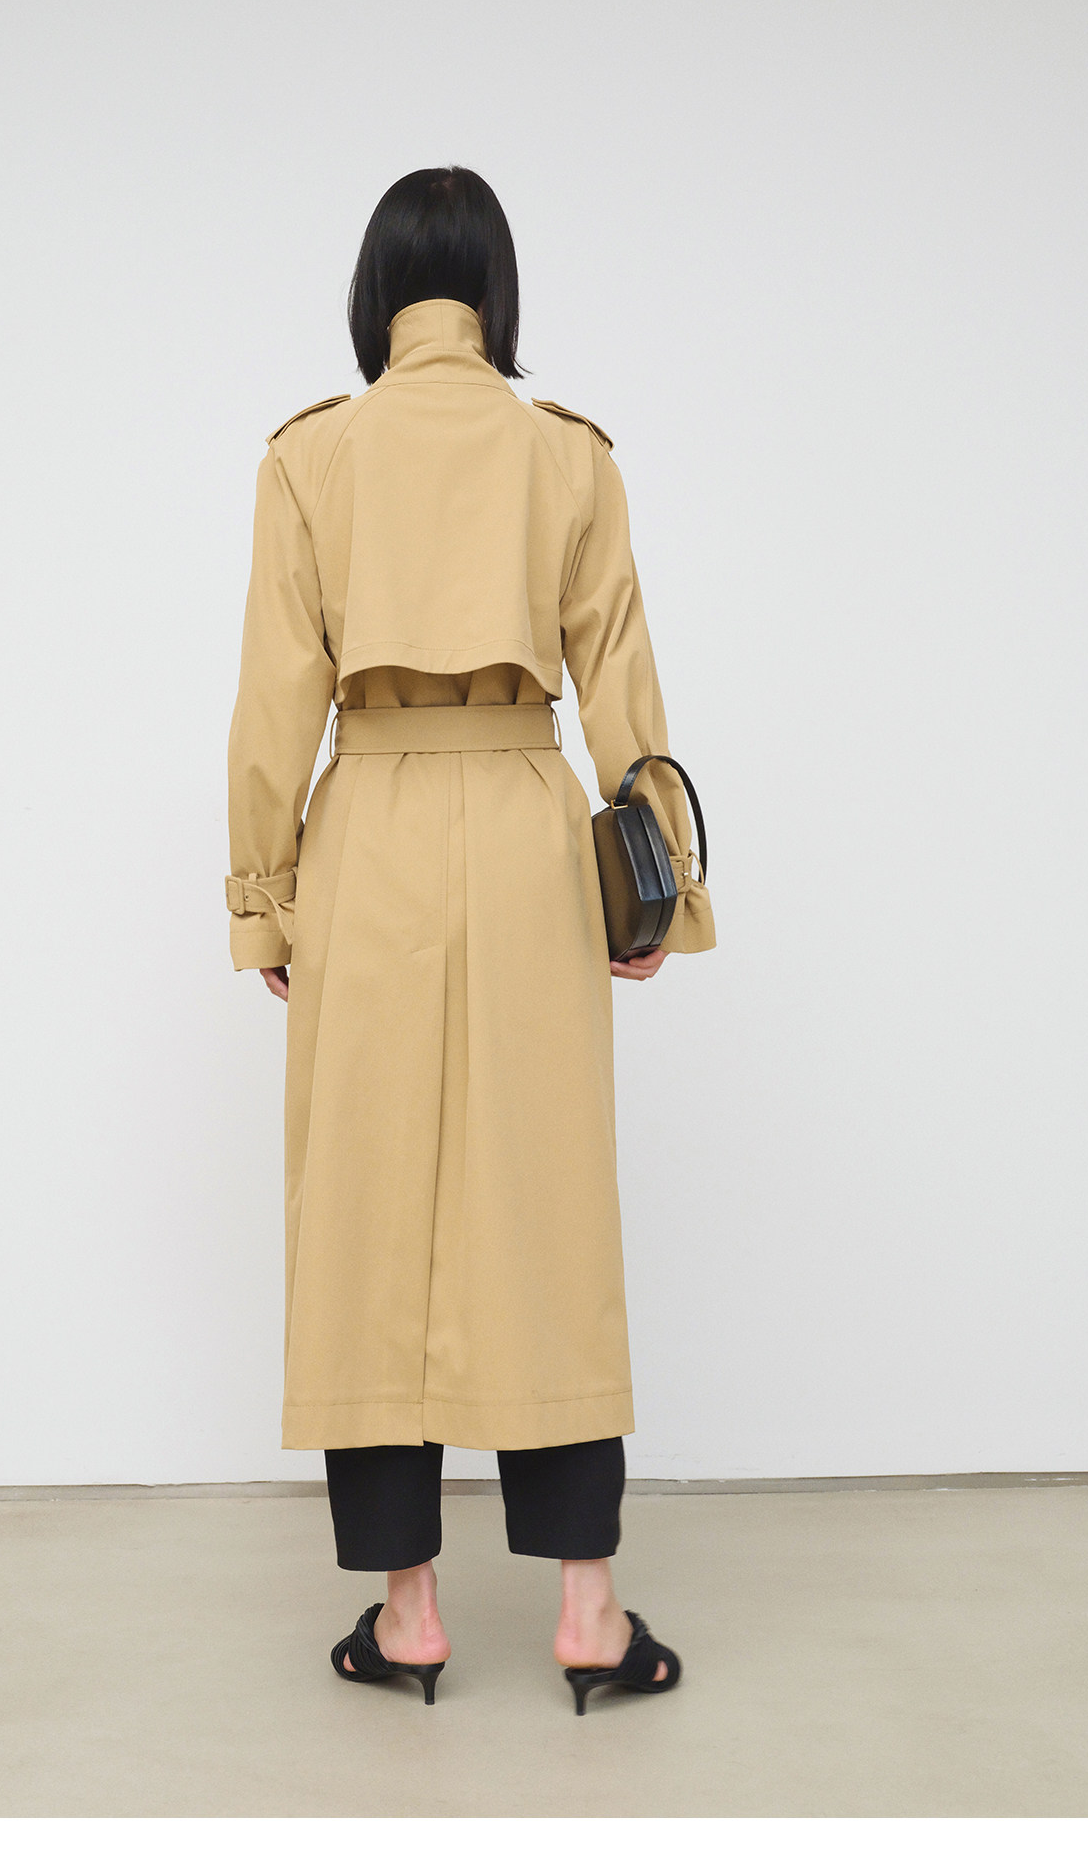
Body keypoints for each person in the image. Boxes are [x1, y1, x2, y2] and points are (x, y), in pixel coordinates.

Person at [225, 166, 716, 1713]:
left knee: (368, 1213)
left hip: (367, 830)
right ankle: (588, 1610)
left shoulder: (310, 456)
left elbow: (271, 704)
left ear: (375, 296)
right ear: (496, 296)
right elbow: (622, 677)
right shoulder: (567, 454)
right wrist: (662, 890)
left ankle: (411, 1610)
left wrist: (263, 898)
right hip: (521, 832)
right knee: (545, 1205)